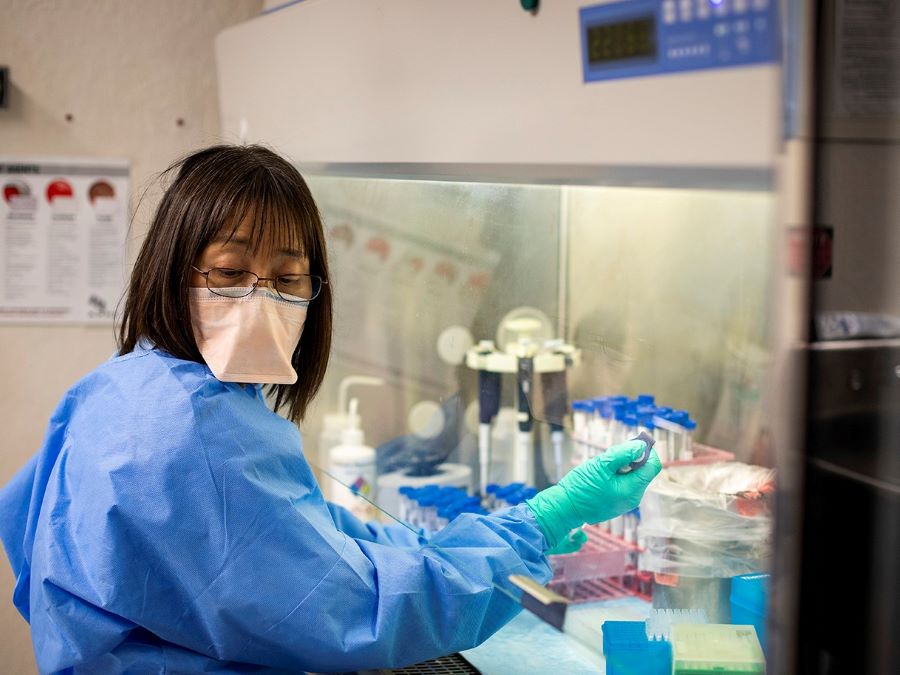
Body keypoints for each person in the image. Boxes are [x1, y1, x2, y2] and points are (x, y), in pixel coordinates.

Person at [0, 145, 661, 674]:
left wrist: (449, 540)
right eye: (230, 272)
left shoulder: (124, 385)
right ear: (175, 271)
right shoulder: (199, 432)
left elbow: (307, 539)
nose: (261, 297)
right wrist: (541, 522)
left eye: (288, 278)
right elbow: (364, 606)